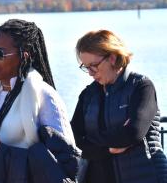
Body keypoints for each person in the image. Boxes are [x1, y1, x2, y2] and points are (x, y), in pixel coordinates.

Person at [0, 19, 80, 183]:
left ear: (24, 56)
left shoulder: (44, 97)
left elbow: (63, 161)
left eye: (0, 53)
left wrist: (1, 158)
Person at [71, 30, 167, 183]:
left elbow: (133, 133)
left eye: (93, 66)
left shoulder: (141, 87)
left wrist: (93, 141)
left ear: (113, 58)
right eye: (85, 67)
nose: (89, 73)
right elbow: (75, 138)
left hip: (145, 176)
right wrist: (108, 148)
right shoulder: (88, 95)